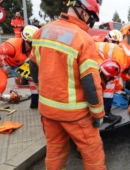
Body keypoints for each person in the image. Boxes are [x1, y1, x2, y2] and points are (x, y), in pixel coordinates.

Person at [29, 0, 106, 169]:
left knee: (56, 151)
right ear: (85, 13)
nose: (88, 23)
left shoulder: (43, 31)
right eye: (90, 19)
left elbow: (33, 65)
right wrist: (98, 113)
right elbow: (90, 83)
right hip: (75, 114)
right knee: (93, 153)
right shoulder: (83, 39)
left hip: (48, 111)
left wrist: (41, 91)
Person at [0, 25, 39, 121]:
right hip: (2, 63)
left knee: (33, 76)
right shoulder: (12, 46)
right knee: (0, 85)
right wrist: (3, 66)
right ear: (28, 41)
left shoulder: (32, 47)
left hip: (16, 63)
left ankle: (35, 102)